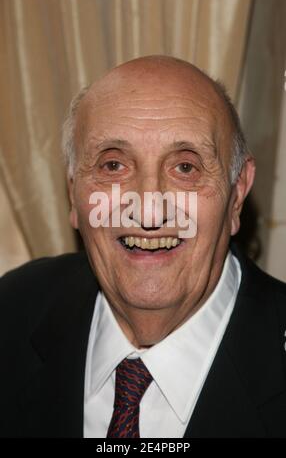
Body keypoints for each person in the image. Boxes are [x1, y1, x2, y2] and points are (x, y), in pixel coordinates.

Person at [0, 56, 285, 438]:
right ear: (73, 194)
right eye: (113, 166)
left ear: (236, 195)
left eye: (185, 167)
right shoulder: (13, 311)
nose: (149, 209)